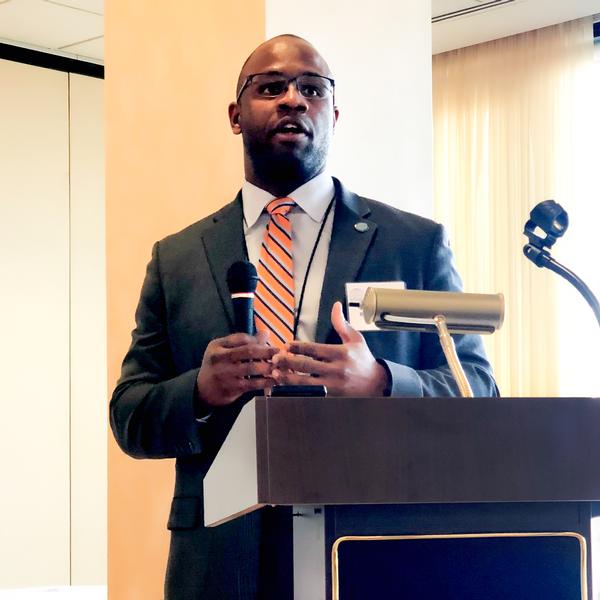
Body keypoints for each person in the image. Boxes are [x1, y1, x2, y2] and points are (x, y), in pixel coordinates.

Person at [110, 34, 498, 600]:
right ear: (235, 116)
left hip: (373, 546)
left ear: (332, 115)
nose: (293, 99)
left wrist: (382, 383)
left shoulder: (413, 244)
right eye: (271, 88)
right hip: (219, 557)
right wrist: (198, 389)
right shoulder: (177, 258)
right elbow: (130, 416)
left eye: (311, 89)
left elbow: (479, 393)